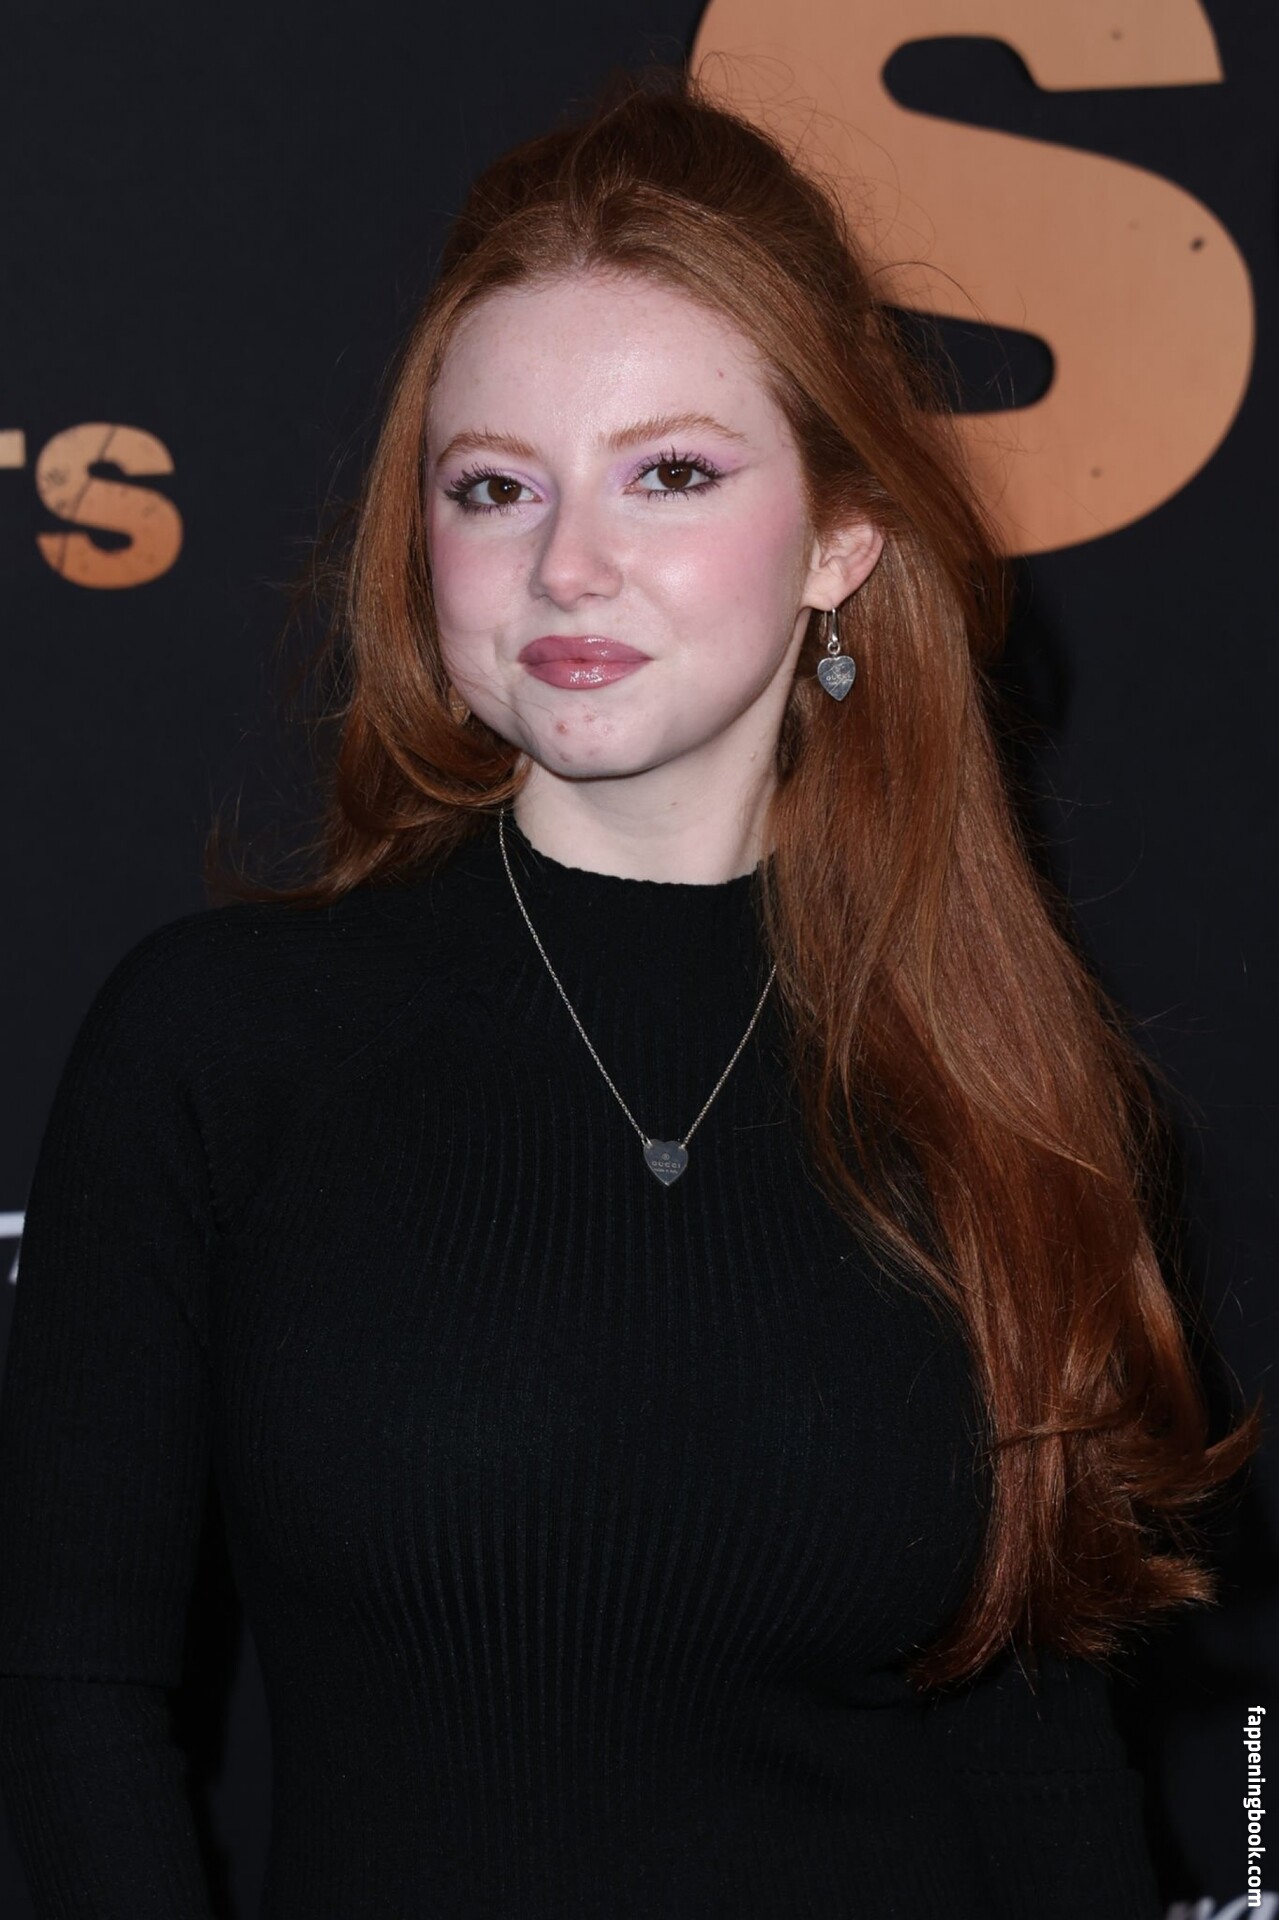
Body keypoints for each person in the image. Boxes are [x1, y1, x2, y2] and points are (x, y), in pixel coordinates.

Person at [0, 68, 1259, 1920]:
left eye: (670, 473)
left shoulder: (989, 1087)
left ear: (839, 539)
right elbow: (69, 1688)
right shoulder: (221, 1046)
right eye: (494, 487)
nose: (565, 564)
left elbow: (1041, 1762)